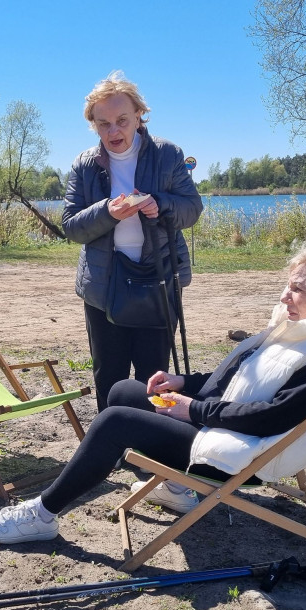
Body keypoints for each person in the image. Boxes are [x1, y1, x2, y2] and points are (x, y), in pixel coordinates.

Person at [0, 243, 306, 544]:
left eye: (296, 289)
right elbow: (237, 379)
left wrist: (193, 410)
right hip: (227, 430)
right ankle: (180, 488)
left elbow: (272, 417)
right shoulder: (305, 328)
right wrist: (183, 383)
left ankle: (42, 516)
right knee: (124, 390)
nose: (285, 297)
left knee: (116, 421)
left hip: (240, 455)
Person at [62, 71, 203, 412]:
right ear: (93, 124)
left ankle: (149, 445)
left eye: (122, 120)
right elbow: (71, 227)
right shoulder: (84, 164)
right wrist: (109, 212)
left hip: (158, 278)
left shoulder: (168, 155)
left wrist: (161, 204)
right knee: (108, 371)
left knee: (153, 373)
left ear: (139, 115)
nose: (114, 131)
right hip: (102, 284)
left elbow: (192, 209)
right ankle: (111, 443)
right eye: (103, 123)